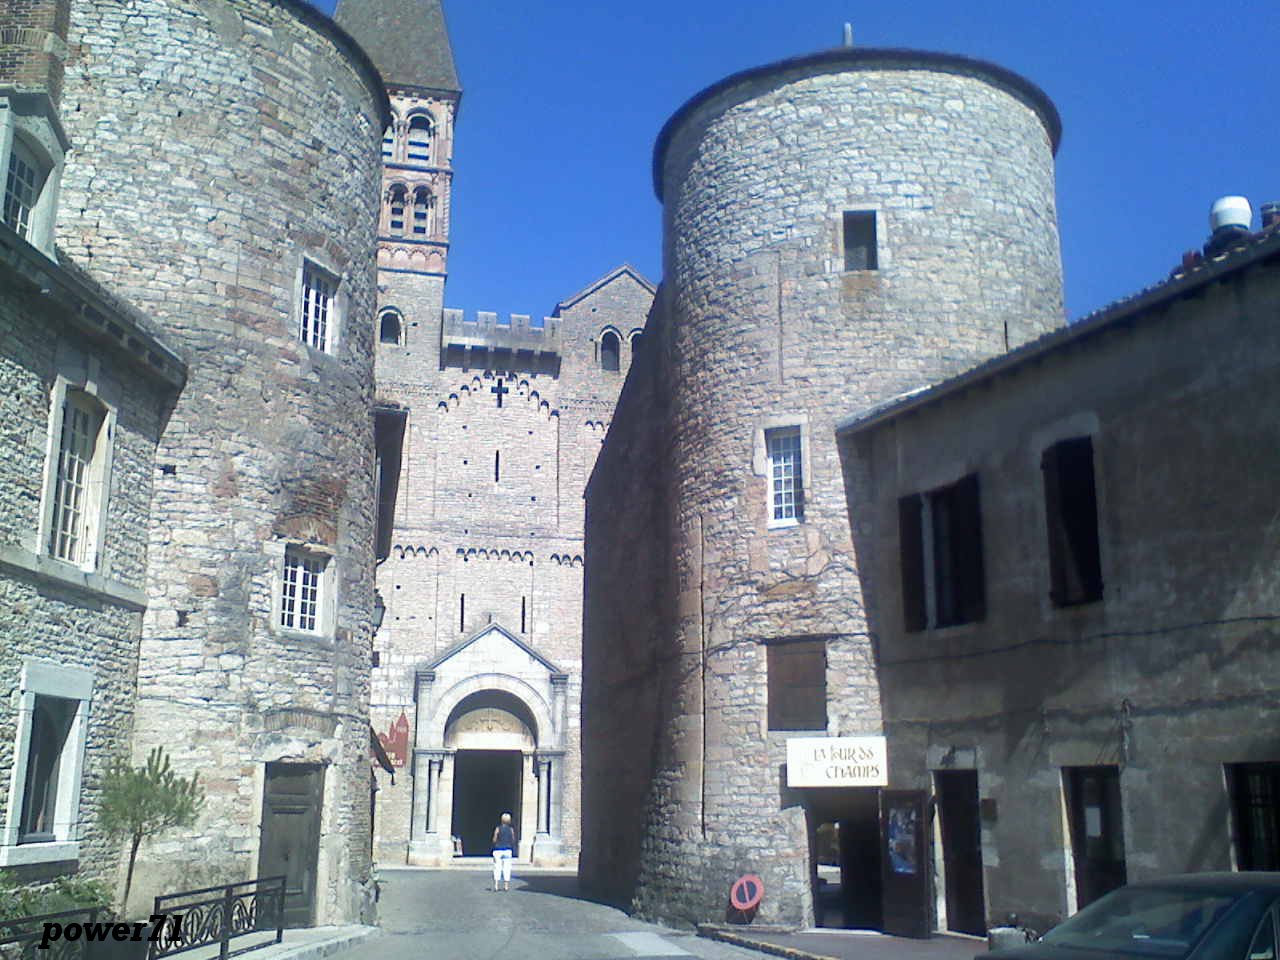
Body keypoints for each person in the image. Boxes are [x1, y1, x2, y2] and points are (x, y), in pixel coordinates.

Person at [491, 812, 516, 891]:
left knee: (497, 867)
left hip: (498, 850)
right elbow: (513, 839)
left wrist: (496, 842)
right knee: (507, 867)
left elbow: (494, 839)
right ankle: (506, 885)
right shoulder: (511, 829)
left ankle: (496, 885)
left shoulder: (498, 828)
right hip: (507, 850)